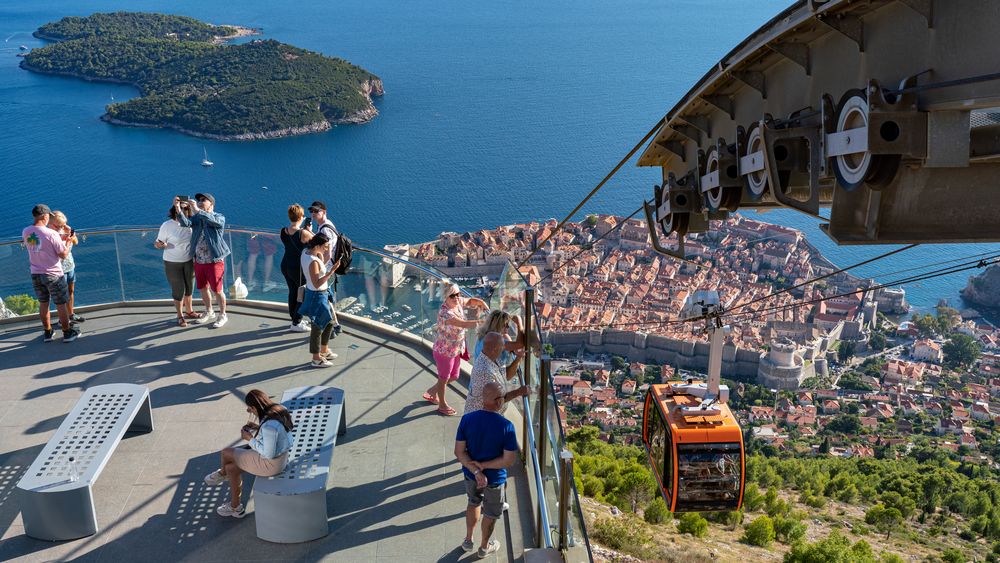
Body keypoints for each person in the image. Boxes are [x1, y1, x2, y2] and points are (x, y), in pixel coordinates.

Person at [204, 389, 294, 518]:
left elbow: (268, 454)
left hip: (270, 464)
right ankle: (236, 508)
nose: (248, 411)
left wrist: (249, 438)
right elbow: (280, 434)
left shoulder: (269, 426)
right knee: (231, 468)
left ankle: (222, 474)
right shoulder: (280, 410)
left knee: (226, 453)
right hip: (282, 458)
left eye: (249, 408)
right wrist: (258, 428)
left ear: (255, 407)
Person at [454, 382, 519, 558]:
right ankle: (484, 547)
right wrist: (485, 467)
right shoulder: (506, 426)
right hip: (495, 479)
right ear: (499, 402)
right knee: (490, 513)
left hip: (470, 475)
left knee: (473, 502)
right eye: (503, 398)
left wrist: (476, 471)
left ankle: (468, 540)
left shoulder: (467, 419)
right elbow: (508, 460)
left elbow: (459, 452)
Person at [423, 283, 488, 416]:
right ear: (446, 297)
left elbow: (469, 301)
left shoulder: (457, 303)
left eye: (458, 294)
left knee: (454, 376)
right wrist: (485, 322)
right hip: (444, 352)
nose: (457, 297)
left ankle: (432, 391)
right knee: (444, 378)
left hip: (455, 349)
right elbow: (463, 324)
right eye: (452, 295)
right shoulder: (446, 313)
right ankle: (442, 404)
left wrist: (481, 302)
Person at [23, 204, 80, 342]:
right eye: (48, 215)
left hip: (36, 273)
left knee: (44, 303)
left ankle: (48, 332)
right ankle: (67, 333)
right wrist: (67, 242)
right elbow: (63, 254)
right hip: (53, 274)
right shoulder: (51, 234)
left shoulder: (26, 231)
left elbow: (37, 246)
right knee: (61, 303)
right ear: (45, 216)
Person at [176, 193, 231, 328]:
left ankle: (223, 315)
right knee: (202, 288)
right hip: (199, 260)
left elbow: (214, 222)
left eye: (203, 200)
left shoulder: (219, 217)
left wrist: (197, 210)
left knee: (217, 290)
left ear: (211, 203)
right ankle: (209, 311)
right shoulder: (197, 218)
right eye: (199, 200)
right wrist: (178, 209)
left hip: (215, 260)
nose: (200, 201)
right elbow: (185, 223)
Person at [155, 204, 201, 326]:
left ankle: (189, 311)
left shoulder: (190, 224)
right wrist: (161, 245)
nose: (184, 211)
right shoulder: (167, 225)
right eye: (181, 208)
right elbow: (158, 243)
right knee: (178, 290)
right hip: (172, 262)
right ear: (175, 210)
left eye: (186, 209)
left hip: (189, 260)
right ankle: (180, 315)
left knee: (190, 287)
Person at [298, 233, 340, 367]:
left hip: (318, 293)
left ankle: (324, 350)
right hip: (317, 294)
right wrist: (331, 271)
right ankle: (316, 358)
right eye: (325, 246)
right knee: (317, 326)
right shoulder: (313, 261)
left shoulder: (305, 253)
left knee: (328, 321)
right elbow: (316, 282)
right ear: (317, 245)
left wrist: (321, 258)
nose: (327, 249)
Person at [464, 332, 528, 415]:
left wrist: (518, 358)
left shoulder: (491, 358)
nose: (504, 348)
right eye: (503, 345)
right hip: (482, 420)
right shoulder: (485, 371)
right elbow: (496, 400)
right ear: (495, 349)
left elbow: (506, 375)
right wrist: (519, 392)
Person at [307, 201, 341, 335]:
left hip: (327, 268)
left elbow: (327, 252)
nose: (313, 214)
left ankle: (331, 327)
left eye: (317, 211)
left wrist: (321, 269)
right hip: (328, 268)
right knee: (326, 298)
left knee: (323, 299)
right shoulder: (324, 226)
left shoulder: (325, 229)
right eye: (312, 211)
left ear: (324, 212)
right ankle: (333, 325)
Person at [279, 204, 313, 332]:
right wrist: (309, 230)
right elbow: (317, 242)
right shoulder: (303, 233)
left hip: (285, 264)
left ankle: (294, 317)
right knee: (302, 293)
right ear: (300, 217)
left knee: (292, 291)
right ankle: (296, 322)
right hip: (297, 268)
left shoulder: (283, 231)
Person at [47, 210, 85, 325]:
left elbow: (76, 242)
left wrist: (70, 234)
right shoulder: (49, 235)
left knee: (70, 291)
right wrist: (67, 240)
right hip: (58, 270)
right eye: (60, 225)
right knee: (61, 295)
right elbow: (60, 253)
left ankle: (71, 314)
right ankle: (62, 319)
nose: (63, 227)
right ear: (51, 224)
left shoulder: (64, 230)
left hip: (70, 266)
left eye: (64, 224)